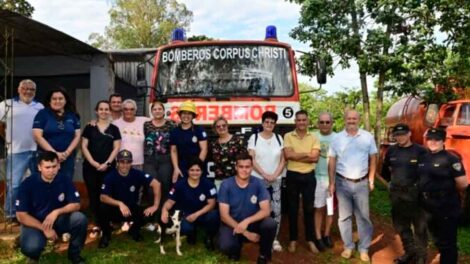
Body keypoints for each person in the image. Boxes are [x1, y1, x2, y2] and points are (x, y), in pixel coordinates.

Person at [16, 151, 87, 264]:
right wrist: (45, 229)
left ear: (58, 165)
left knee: (80, 219)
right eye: (47, 167)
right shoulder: (27, 184)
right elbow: (21, 216)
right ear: (39, 167)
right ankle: (33, 255)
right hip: (36, 223)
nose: (51, 170)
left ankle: (75, 255)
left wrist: (57, 212)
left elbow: (76, 204)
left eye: (54, 166)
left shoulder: (64, 179)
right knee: (31, 248)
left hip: (58, 220)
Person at [328, 109, 377, 262]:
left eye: (354, 118)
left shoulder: (367, 137)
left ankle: (364, 248)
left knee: (363, 217)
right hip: (342, 183)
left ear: (359, 119)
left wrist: (371, 178)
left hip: (362, 183)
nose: (351, 121)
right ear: (344, 120)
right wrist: (332, 183)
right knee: (344, 217)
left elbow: (373, 158)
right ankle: (348, 246)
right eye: (349, 118)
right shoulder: (337, 138)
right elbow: (332, 161)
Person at [418, 127, 467, 264]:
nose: (432, 142)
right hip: (427, 205)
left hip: (445, 205)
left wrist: (445, 192)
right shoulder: (423, 158)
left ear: (443, 141)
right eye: (430, 139)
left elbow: (462, 183)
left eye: (437, 139)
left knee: (448, 241)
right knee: (435, 237)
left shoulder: (451, 159)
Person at [218, 153, 277, 264]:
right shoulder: (226, 185)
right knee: (225, 246)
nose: (244, 170)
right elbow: (224, 216)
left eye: (247, 167)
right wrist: (246, 233)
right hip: (233, 224)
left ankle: (264, 254)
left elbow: (266, 211)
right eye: (241, 167)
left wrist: (247, 221)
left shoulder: (258, 183)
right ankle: (236, 247)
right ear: (236, 167)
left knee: (270, 224)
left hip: (253, 223)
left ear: (252, 167)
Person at [381, 123, 428, 264]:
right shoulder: (391, 151)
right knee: (401, 226)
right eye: (397, 135)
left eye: (403, 134)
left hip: (415, 195)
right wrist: (392, 184)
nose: (400, 137)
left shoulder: (421, 151)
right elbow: (385, 171)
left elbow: (427, 174)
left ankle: (421, 257)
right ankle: (409, 252)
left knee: (419, 228)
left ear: (409, 134)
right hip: (397, 194)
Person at [0, 79, 44, 222]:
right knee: (14, 184)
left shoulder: (40, 106)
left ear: (35, 92)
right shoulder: (6, 104)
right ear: (18, 90)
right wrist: (5, 138)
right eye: (25, 88)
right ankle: (10, 213)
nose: (28, 91)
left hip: (37, 150)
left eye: (31, 89)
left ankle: (37, 211)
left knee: (39, 182)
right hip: (16, 151)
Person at [98, 149, 161, 248]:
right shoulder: (110, 176)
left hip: (132, 208)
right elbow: (103, 197)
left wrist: (155, 205)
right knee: (102, 208)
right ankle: (106, 235)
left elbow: (156, 184)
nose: (125, 165)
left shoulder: (136, 173)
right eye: (122, 162)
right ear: (117, 162)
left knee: (153, 212)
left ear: (131, 163)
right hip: (116, 209)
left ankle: (134, 230)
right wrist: (119, 203)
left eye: (128, 162)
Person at [161, 158, 219, 250]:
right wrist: (164, 210)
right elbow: (170, 201)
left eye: (197, 170)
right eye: (192, 170)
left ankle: (209, 237)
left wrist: (196, 214)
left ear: (202, 171)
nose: (195, 173)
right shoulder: (179, 184)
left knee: (214, 215)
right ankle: (191, 233)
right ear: (187, 171)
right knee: (186, 229)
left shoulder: (208, 185)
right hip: (185, 215)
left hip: (202, 214)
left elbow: (211, 204)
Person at [283, 110, 320, 253]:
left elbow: (315, 158)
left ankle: (310, 240)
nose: (301, 122)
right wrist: (307, 154)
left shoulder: (314, 137)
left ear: (308, 121)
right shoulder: (288, 136)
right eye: (299, 120)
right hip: (292, 175)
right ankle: (293, 240)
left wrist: (296, 155)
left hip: (309, 177)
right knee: (292, 209)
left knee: (309, 209)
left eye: (304, 120)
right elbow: (288, 155)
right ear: (295, 122)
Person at [247, 111, 285, 252]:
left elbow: (283, 160)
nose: (269, 124)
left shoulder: (279, 138)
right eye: (266, 122)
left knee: (276, 210)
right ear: (262, 123)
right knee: (258, 209)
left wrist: (275, 174)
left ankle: (274, 239)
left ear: (275, 124)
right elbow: (252, 159)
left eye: (272, 122)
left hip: (275, 179)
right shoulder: (254, 138)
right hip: (257, 179)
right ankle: (259, 236)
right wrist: (263, 174)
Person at [81, 100, 121, 231]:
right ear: (96, 111)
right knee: (93, 194)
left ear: (110, 111)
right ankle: (97, 222)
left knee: (107, 194)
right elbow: (84, 146)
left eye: (106, 109)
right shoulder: (89, 127)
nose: (104, 111)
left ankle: (108, 220)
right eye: (101, 109)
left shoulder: (114, 129)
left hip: (108, 168)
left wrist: (107, 163)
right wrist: (93, 162)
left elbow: (116, 148)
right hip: (90, 168)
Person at [33, 88, 81, 181]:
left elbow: (77, 136)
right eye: (54, 99)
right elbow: (37, 136)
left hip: (67, 158)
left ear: (65, 100)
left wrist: (67, 153)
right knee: (45, 184)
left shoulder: (72, 115)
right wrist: (54, 154)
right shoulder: (42, 114)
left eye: (60, 98)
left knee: (65, 183)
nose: (57, 101)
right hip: (47, 158)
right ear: (50, 101)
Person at [144, 100, 175, 205]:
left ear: (163, 111)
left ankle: (163, 212)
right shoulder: (146, 124)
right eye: (155, 109)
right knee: (151, 185)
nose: (157, 111)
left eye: (159, 109)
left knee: (165, 185)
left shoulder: (171, 124)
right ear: (151, 111)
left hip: (165, 159)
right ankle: (152, 213)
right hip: (149, 160)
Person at [313, 112, 336, 250]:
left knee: (330, 209)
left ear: (332, 123)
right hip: (317, 177)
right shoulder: (313, 136)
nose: (325, 125)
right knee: (319, 208)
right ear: (318, 123)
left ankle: (327, 234)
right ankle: (318, 236)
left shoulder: (338, 137)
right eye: (322, 122)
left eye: (327, 122)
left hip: (332, 178)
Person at [170, 100, 208, 181]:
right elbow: (173, 151)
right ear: (180, 115)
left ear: (193, 116)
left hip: (197, 168)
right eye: (184, 113)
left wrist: (197, 167)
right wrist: (176, 168)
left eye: (189, 113)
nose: (186, 116)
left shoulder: (199, 130)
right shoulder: (174, 131)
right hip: (181, 168)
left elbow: (204, 149)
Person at [112, 99, 149, 169]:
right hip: (121, 164)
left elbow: (158, 120)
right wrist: (94, 122)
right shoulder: (115, 124)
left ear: (135, 111)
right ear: (122, 110)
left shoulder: (144, 121)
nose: (129, 111)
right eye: (126, 109)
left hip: (139, 164)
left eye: (132, 109)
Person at [211, 116, 246, 187]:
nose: (221, 127)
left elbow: (245, 160)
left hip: (236, 180)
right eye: (218, 126)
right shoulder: (214, 144)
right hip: (219, 180)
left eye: (223, 125)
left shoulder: (237, 140)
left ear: (227, 126)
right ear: (215, 129)